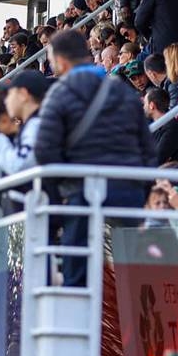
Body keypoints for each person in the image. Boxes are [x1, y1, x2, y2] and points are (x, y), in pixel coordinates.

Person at [30, 29, 154, 286]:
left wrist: (57, 197)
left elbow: (44, 153)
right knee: (133, 279)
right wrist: (142, 190)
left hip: (83, 194)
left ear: (61, 61)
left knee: (77, 276)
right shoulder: (122, 91)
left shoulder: (59, 94)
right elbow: (148, 148)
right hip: (128, 192)